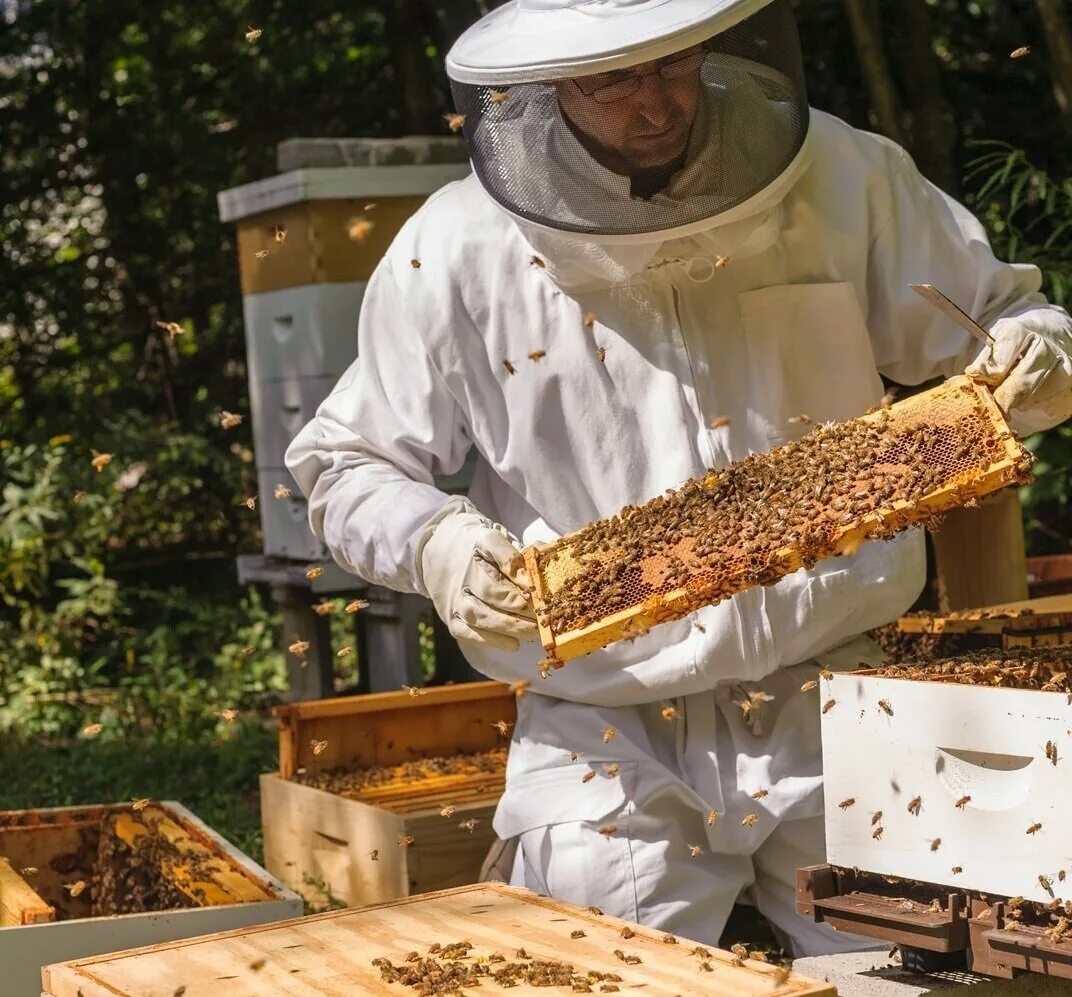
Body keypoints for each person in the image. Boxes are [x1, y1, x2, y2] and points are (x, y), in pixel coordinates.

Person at [286, 0, 1072, 954]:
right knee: (616, 974)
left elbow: (1005, 314)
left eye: (671, 64)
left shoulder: (843, 174)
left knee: (914, 976)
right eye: (611, 79)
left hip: (838, 693)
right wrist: (434, 541)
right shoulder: (455, 248)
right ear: (545, 81)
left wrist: (1038, 354)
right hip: (606, 728)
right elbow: (342, 462)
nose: (654, 103)